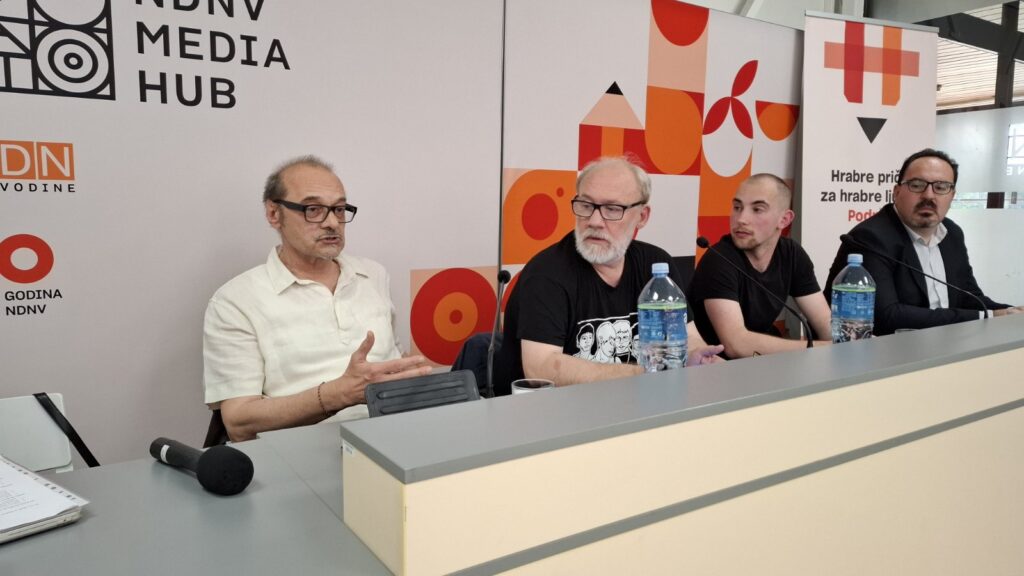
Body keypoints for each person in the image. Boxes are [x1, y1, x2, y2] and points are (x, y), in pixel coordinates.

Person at [203, 156, 431, 441]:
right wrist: (339, 394)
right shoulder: (235, 301)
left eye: (339, 209)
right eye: (313, 210)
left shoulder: (373, 275)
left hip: (394, 438)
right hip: (298, 452)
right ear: (274, 214)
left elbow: (392, 362)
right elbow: (239, 421)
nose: (332, 223)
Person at [493, 156, 723, 395]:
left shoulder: (656, 266)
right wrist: (644, 375)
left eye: (612, 209)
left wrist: (696, 356)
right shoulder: (546, 274)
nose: (594, 221)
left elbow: (688, 336)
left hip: (641, 404)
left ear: (642, 216)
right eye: (586, 205)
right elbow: (541, 368)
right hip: (556, 412)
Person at [825, 148, 1022, 335]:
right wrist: (988, 317)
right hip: (889, 351)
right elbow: (887, 316)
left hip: (949, 344)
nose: (928, 195)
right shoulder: (871, 238)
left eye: (941, 187)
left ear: (952, 196)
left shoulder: (952, 233)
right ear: (896, 192)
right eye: (917, 185)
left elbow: (968, 296)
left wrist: (1010, 312)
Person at [688, 174, 832, 358]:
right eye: (737, 207)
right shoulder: (718, 260)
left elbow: (825, 321)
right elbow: (736, 345)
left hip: (763, 363)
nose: (741, 219)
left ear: (784, 219)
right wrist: (821, 347)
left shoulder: (792, 254)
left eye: (757, 209)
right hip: (716, 368)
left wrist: (847, 343)